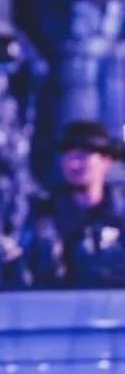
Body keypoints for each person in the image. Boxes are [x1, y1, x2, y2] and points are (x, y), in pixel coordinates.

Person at [21, 120, 125, 288]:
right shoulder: (43, 214)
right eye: (69, 155)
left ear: (106, 161)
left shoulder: (120, 215)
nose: (74, 164)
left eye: (83, 156)